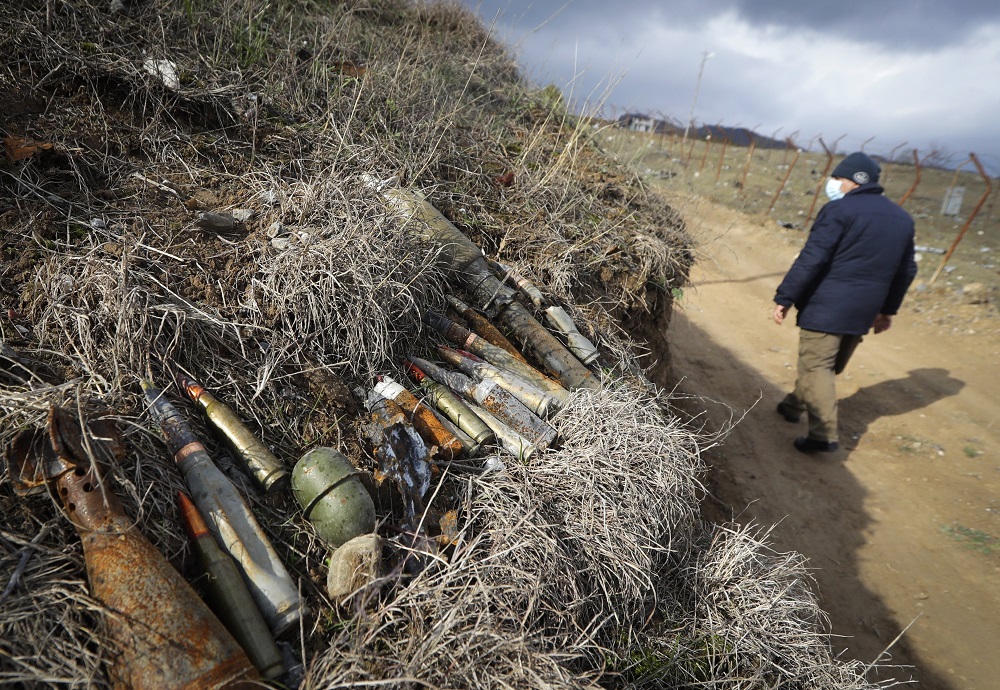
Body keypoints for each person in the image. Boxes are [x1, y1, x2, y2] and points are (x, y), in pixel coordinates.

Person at [772, 151, 917, 453]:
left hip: (828, 304)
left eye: (837, 178)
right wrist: (887, 310)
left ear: (851, 180)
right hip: (864, 310)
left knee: (817, 366)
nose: (833, 184)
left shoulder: (839, 211)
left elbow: (813, 258)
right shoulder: (902, 219)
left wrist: (786, 297)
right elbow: (906, 271)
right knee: (824, 366)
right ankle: (792, 405)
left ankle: (822, 435)